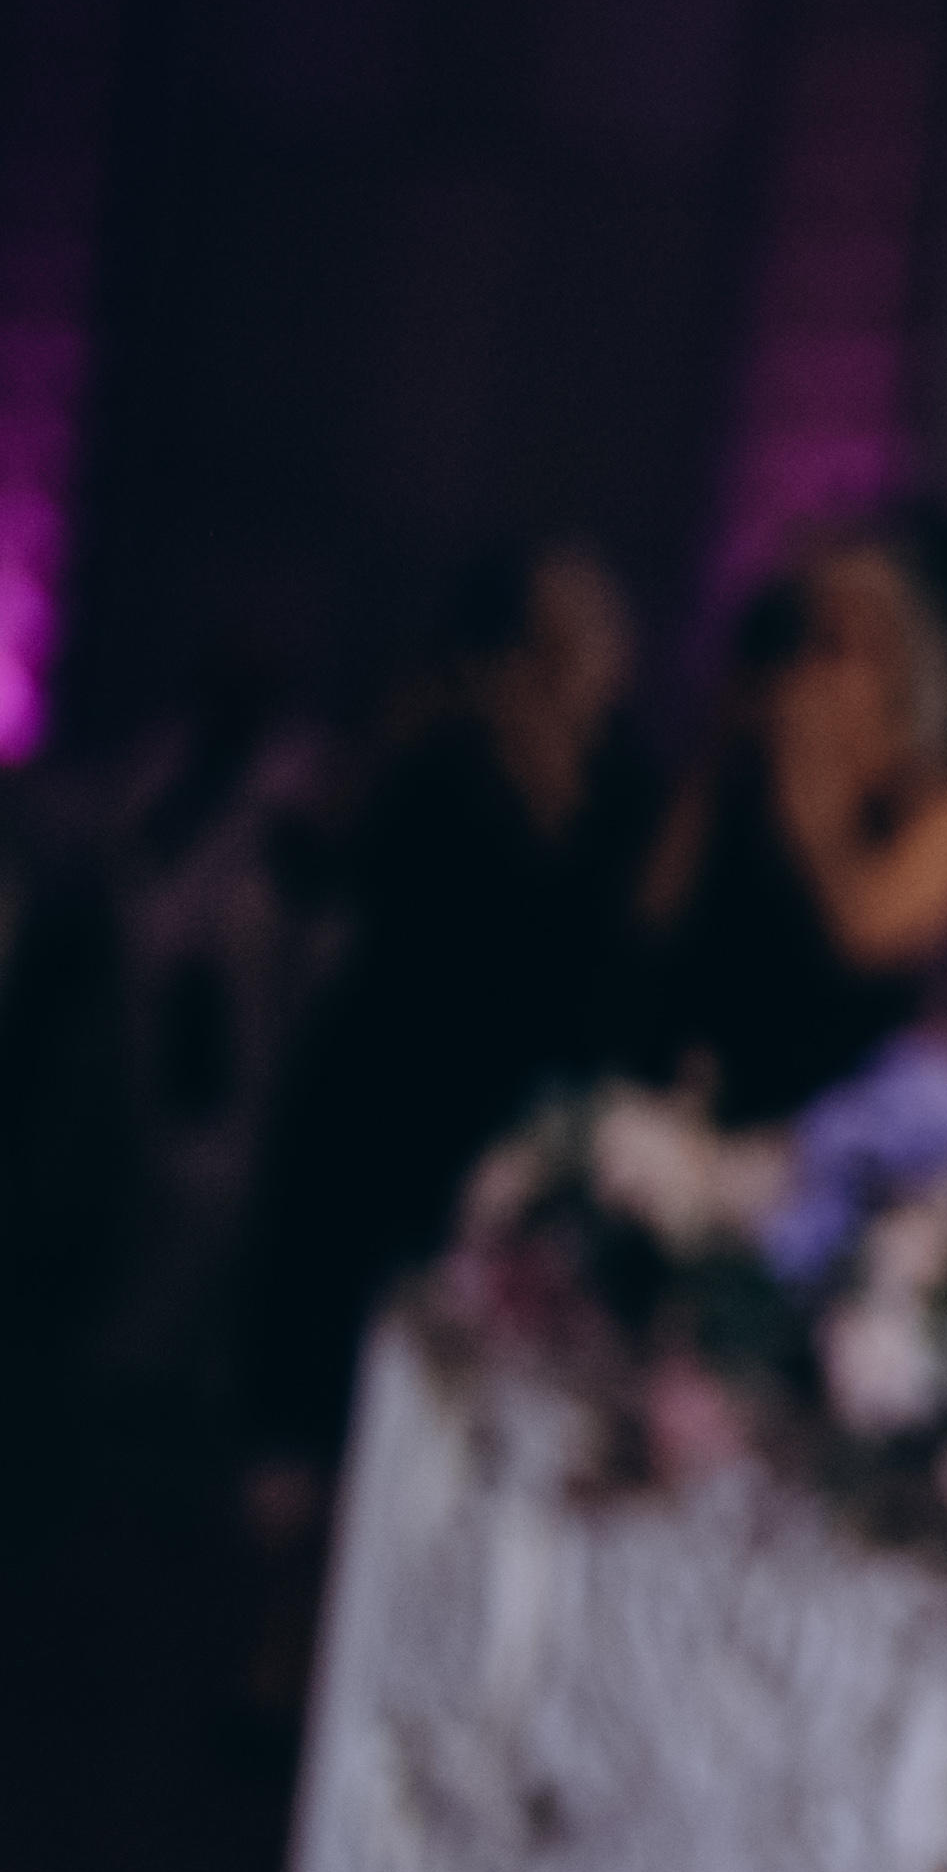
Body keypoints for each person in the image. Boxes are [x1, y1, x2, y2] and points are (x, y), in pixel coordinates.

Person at [239, 540, 652, 1460]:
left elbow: (311, 858)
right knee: (402, 1355)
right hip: (475, 1089)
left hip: (404, 1070)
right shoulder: (586, 781)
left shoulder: (458, 742)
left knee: (346, 1349)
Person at [631, 529, 947, 1120]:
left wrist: (814, 798)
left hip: (842, 1121)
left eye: (835, 647)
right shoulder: (740, 773)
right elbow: (650, 915)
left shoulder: (942, 802)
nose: (808, 672)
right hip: (690, 1100)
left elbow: (862, 939)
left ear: (898, 670)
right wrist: (717, 751)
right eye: (797, 643)